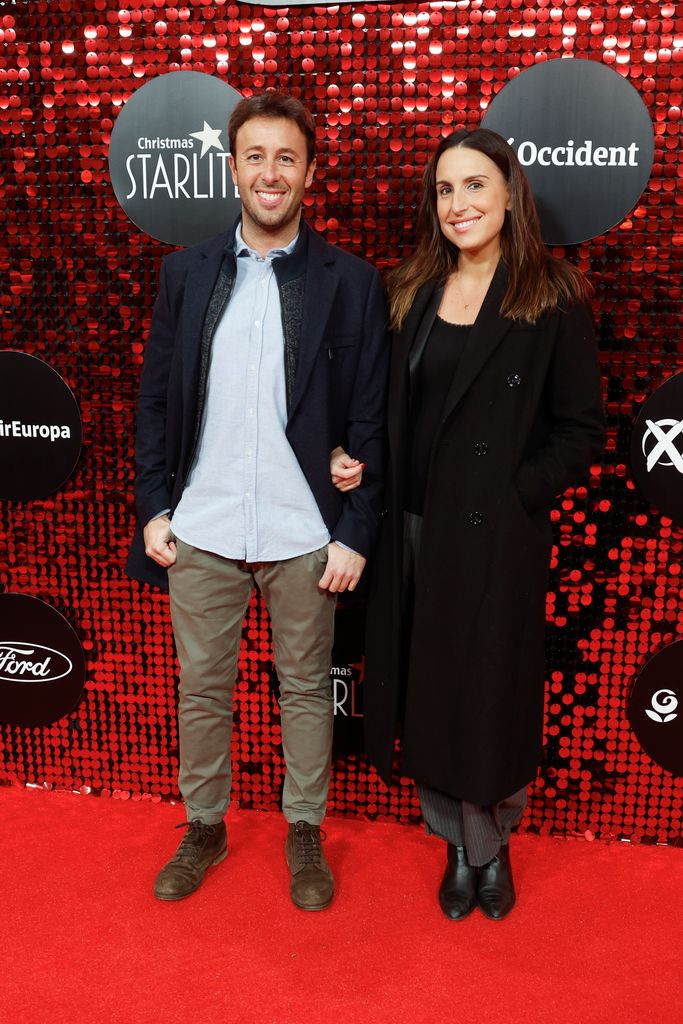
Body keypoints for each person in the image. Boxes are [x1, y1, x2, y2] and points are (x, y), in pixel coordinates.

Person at [126, 91, 388, 909]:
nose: (269, 173)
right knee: (201, 689)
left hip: (302, 530)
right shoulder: (186, 272)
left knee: (305, 688)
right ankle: (204, 827)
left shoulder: (351, 281)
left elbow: (371, 415)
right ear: (232, 167)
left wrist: (354, 527)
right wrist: (153, 507)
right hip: (200, 528)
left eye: (286, 157)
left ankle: (303, 833)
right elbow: (156, 402)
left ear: (309, 172)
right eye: (254, 156)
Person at [334, 128, 604, 921]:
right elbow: (385, 409)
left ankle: (490, 846)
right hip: (412, 528)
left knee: (488, 694)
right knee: (428, 690)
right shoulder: (407, 289)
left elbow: (580, 430)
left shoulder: (551, 294)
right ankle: (455, 843)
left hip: (492, 533)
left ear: (509, 193)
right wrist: (356, 460)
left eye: (475, 185)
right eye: (445, 190)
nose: (459, 204)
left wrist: (518, 491)